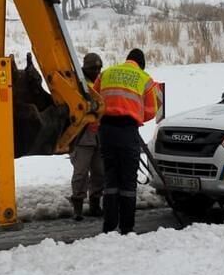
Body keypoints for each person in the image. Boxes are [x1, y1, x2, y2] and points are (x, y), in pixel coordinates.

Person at [94, 48, 162, 234]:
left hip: (106, 131)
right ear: (141, 64)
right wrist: (133, 113)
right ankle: (126, 227)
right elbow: (151, 110)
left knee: (111, 178)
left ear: (127, 60)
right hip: (127, 130)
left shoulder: (106, 73)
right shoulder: (145, 79)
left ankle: (109, 226)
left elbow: (94, 100)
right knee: (128, 182)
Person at [69, 52, 106, 221]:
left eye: (99, 68)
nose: (97, 71)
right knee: (81, 173)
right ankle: (77, 206)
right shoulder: (77, 84)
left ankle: (95, 205)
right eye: (94, 68)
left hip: (98, 135)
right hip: (82, 136)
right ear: (85, 68)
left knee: (99, 172)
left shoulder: (101, 82)